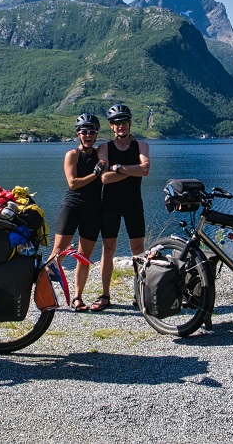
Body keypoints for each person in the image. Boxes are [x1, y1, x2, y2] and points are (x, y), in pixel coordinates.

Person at [91, 103, 150, 311]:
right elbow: (105, 178)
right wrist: (131, 171)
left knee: (138, 250)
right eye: (117, 122)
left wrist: (119, 168)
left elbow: (145, 169)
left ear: (130, 123)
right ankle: (105, 295)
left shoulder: (141, 146)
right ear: (111, 125)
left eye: (124, 121)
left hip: (134, 203)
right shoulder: (104, 148)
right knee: (108, 249)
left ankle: (140, 293)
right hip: (110, 204)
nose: (121, 125)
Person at [47, 113, 105, 312]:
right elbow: (73, 183)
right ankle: (42, 292)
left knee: (84, 256)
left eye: (92, 131)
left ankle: (77, 297)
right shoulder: (72, 155)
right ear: (78, 134)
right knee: (58, 253)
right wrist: (95, 174)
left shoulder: (100, 154)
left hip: (94, 209)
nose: (88, 135)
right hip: (72, 207)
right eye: (84, 131)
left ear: (97, 134)